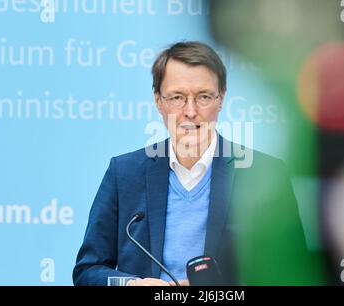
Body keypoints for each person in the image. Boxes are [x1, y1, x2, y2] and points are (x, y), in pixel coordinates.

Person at [73, 41, 307, 286]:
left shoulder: (263, 174)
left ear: (221, 99)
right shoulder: (124, 173)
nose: (190, 111)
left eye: (203, 97)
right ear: (158, 101)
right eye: (177, 98)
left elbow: (292, 277)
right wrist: (132, 284)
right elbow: (88, 271)